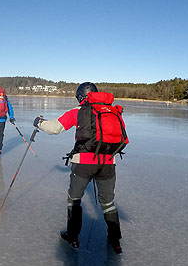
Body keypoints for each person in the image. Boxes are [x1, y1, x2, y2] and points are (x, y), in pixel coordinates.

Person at [33, 82, 128, 254]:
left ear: (81, 97)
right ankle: (115, 241)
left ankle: (73, 236)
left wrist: (39, 123)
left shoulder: (78, 111)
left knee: (74, 199)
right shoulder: (111, 111)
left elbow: (55, 128)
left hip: (83, 164)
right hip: (108, 163)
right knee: (108, 203)